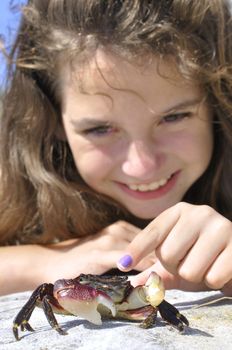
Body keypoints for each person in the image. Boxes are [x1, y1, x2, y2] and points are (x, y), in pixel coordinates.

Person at [0, 0, 232, 297]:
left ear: (218, 101)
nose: (143, 166)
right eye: (99, 129)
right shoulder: (13, 193)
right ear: (51, 120)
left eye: (173, 117)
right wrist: (45, 262)